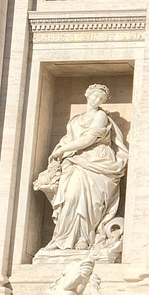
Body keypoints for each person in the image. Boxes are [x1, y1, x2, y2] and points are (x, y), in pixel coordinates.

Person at [34, 84, 129, 253]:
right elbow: (69, 138)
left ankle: (84, 238)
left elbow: (89, 139)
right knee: (71, 197)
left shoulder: (101, 116)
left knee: (92, 202)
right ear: (87, 95)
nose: (97, 100)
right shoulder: (75, 120)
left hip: (97, 160)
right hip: (75, 161)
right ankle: (62, 237)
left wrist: (63, 149)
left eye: (101, 99)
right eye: (95, 96)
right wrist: (62, 150)